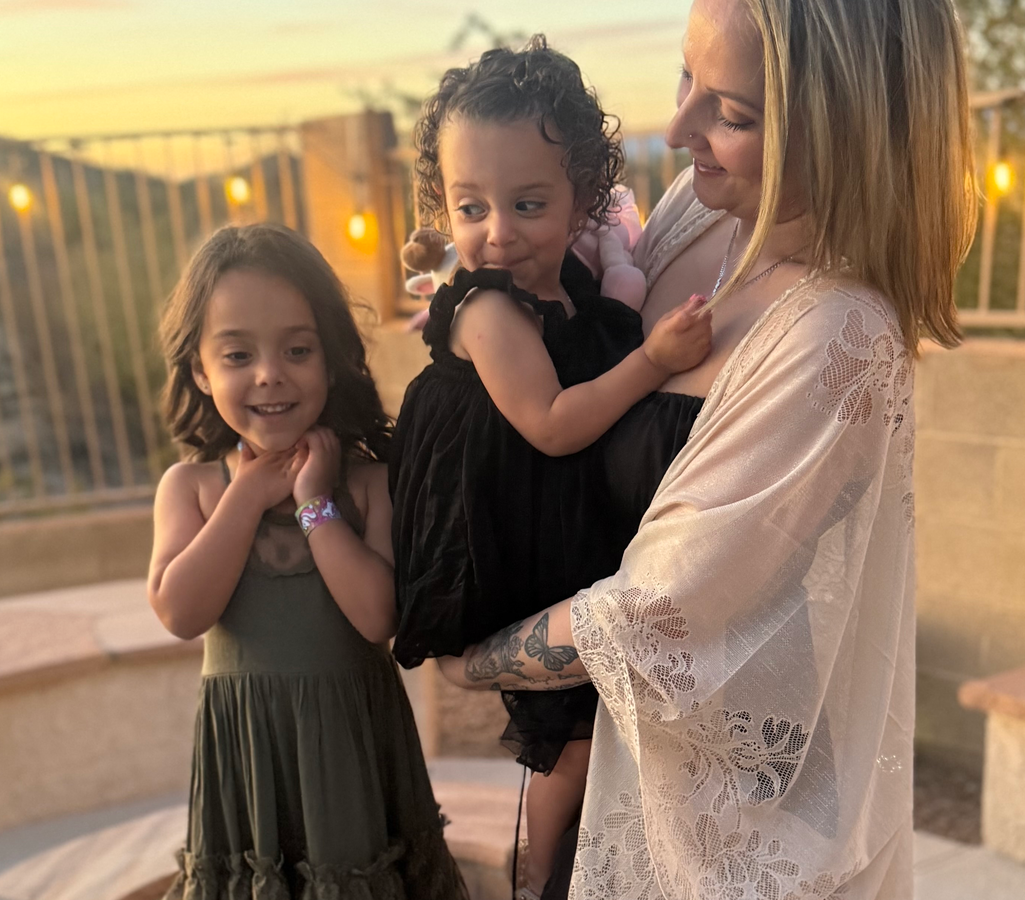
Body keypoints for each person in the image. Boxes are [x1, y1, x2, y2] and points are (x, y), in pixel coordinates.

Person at [440, 0, 977, 897]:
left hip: (726, 817)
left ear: (842, 133)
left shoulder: (837, 338)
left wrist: (469, 658)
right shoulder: (699, 208)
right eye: (687, 75)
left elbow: (657, 612)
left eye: (731, 113)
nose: (678, 125)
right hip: (608, 745)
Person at [389, 36, 714, 899]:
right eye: (471, 208)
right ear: (443, 203)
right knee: (569, 737)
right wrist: (654, 359)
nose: (497, 233)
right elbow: (554, 423)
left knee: (593, 723)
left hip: (554, 517)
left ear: (580, 200)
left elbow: (599, 327)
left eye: (527, 204)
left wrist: (621, 275)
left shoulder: (559, 278)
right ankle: (534, 874)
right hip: (503, 535)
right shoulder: (488, 309)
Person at [147, 223, 468, 899]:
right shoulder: (192, 488)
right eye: (238, 355)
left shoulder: (367, 483)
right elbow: (180, 611)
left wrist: (314, 503)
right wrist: (245, 498)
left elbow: (377, 617)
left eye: (298, 349)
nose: (270, 374)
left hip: (351, 755)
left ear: (332, 358)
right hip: (250, 762)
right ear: (201, 370)